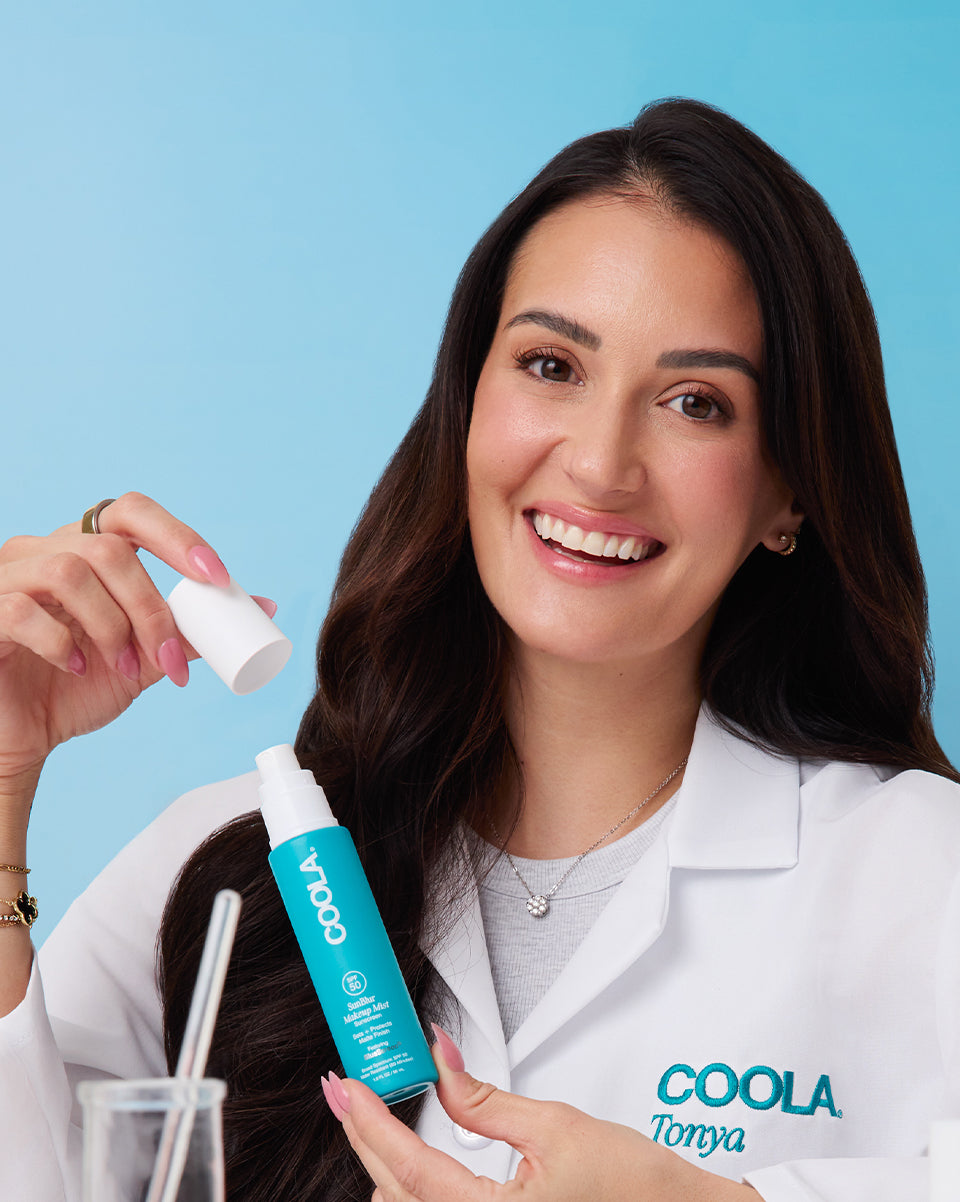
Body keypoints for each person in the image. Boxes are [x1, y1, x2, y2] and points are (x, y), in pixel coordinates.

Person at [1, 97, 958, 1202]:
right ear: (467, 405)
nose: (601, 462)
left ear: (789, 490)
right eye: (552, 366)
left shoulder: (921, 873)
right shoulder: (222, 872)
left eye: (696, 401)